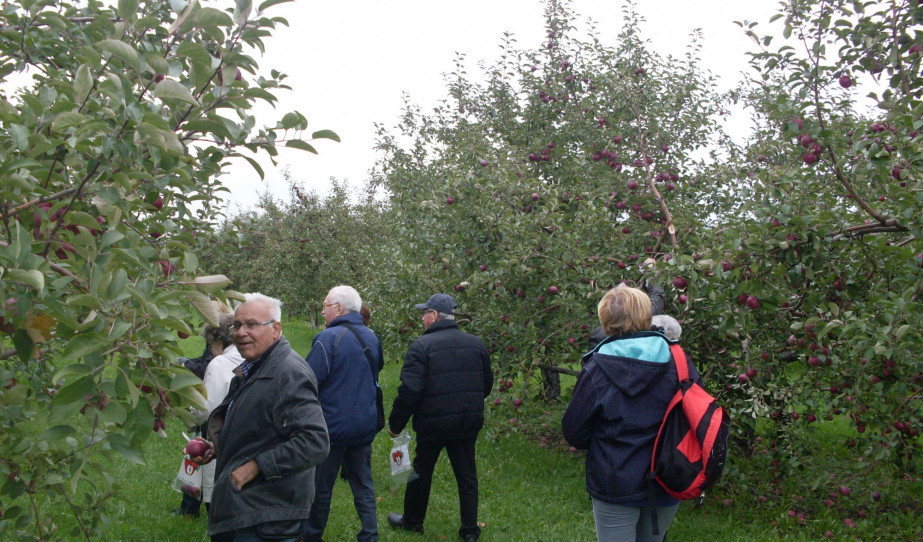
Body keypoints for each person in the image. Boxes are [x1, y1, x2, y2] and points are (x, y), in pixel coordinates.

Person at [562, 284, 703, 542]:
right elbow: (695, 417)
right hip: (668, 473)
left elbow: (575, 431)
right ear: (647, 317)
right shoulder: (679, 360)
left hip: (615, 478)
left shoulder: (597, 367)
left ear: (605, 320)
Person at [185, 293, 329, 542]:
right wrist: (218, 447)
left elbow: (315, 441)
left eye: (252, 324)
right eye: (237, 325)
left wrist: (255, 467)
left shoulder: (287, 373)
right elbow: (262, 428)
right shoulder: (254, 367)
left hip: (266, 514)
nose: (241, 332)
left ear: (276, 329)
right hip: (251, 507)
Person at [386, 293, 493, 542]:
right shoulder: (476, 344)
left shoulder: (421, 347)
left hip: (433, 423)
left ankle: (412, 521)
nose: (422, 318)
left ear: (434, 316)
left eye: (424, 313)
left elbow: (410, 390)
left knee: (422, 471)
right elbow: (486, 383)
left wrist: (396, 425)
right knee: (467, 475)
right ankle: (469, 531)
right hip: (467, 420)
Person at [301, 286, 384, 542]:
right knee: (363, 484)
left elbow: (310, 379)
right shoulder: (371, 337)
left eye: (325, 305)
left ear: (338, 308)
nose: (323, 311)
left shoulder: (328, 339)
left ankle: (312, 535)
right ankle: (369, 534)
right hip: (363, 424)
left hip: (332, 428)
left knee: (321, 487)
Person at [188, 313, 245, 515]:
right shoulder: (253, 356)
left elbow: (206, 408)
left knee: (220, 501)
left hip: (221, 440)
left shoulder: (219, 364)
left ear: (218, 341)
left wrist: (189, 412)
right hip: (249, 442)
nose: (210, 351)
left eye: (210, 345)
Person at [588, 259, 665, 350]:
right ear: (647, 314)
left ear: (603, 316)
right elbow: (658, 296)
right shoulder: (660, 348)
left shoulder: (597, 343)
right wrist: (650, 271)